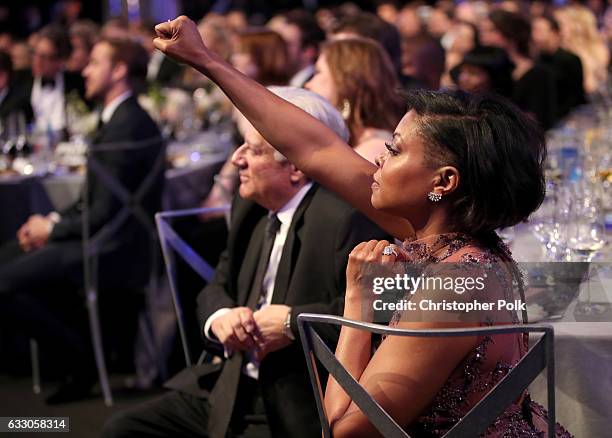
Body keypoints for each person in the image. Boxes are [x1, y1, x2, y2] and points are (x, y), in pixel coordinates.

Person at [151, 16, 573, 436]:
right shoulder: (452, 239)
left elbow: (343, 429)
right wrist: (206, 60)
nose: (377, 159)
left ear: (443, 181)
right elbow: (314, 148)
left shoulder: (451, 288)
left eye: (394, 150)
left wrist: (358, 298)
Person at [102, 86, 389, 438]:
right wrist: (222, 318)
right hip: (231, 386)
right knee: (123, 429)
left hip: (297, 401)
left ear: (296, 168)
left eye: (252, 150)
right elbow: (218, 285)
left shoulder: (346, 218)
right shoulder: (249, 205)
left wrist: (290, 321)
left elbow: (380, 316)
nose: (236, 159)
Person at [0, 37, 164, 404]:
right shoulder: (126, 119)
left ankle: (83, 359)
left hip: (114, 249)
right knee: (10, 256)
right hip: (109, 237)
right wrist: (52, 221)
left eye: (94, 63)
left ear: (119, 70)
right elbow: (97, 202)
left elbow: (104, 213)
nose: (84, 70)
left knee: (5, 281)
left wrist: (53, 229)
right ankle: (81, 353)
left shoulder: (126, 126)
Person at [305, 37, 404, 163]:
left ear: (345, 81)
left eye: (318, 72)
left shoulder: (373, 150)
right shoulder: (353, 142)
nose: (308, 84)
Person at [480, 10, 558, 130]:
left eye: (491, 30)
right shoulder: (485, 69)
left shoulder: (538, 73)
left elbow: (541, 119)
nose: (483, 37)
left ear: (510, 33)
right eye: (482, 31)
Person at [23, 24, 87, 136]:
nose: (36, 61)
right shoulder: (22, 84)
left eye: (44, 57)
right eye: (35, 54)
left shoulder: (77, 84)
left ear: (61, 60)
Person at [532, 14, 586, 119]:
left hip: (565, 122)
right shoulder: (535, 61)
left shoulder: (571, 60)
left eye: (539, 31)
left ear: (555, 33)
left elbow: (577, 97)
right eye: (533, 31)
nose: (534, 36)